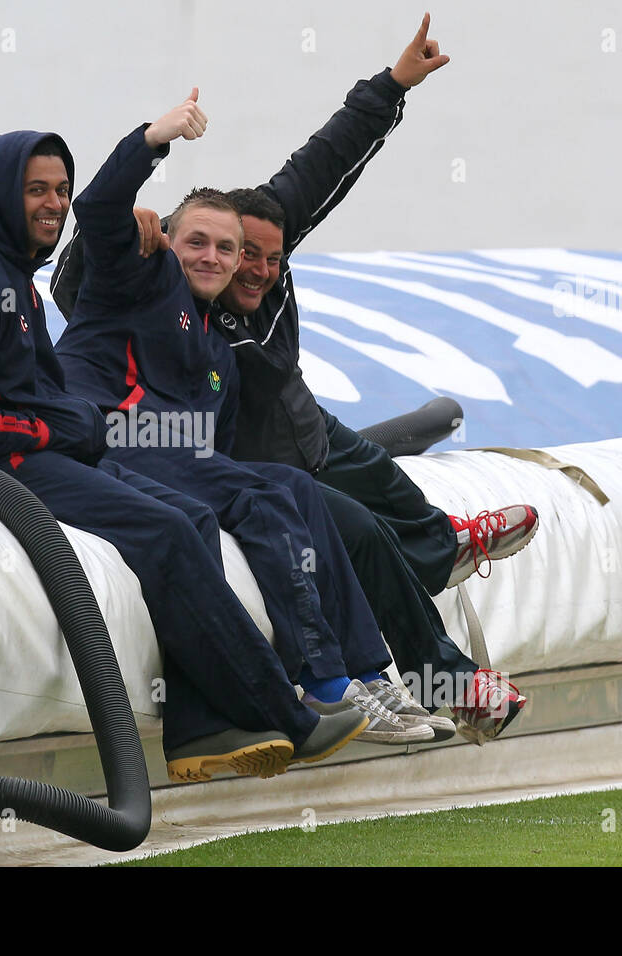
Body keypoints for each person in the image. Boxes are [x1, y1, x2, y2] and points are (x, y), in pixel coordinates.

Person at [51, 14, 532, 741]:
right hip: (235, 457)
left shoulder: (256, 262)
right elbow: (91, 269)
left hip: (300, 432)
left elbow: (321, 164)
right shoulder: (156, 289)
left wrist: (394, 84)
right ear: (170, 247)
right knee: (356, 532)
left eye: (255, 253)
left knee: (360, 486)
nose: (248, 267)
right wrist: (134, 194)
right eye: (207, 247)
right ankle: (417, 680)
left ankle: (435, 559)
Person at [0, 127, 371, 783]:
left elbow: (27, 394)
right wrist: (52, 430)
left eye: (60, 189)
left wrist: (63, 423)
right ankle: (287, 715)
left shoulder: (16, 279)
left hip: (25, 453)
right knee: (168, 529)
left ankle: (200, 728)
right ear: (1, 193)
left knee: (194, 517)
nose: (54, 204)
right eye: (37, 190)